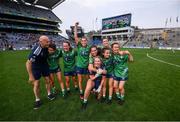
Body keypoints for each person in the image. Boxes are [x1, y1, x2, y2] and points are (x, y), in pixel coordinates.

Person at [26, 35, 55, 109]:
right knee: (37, 83)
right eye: (47, 41)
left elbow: (53, 50)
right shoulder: (36, 50)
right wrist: (30, 76)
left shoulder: (47, 46)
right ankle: (37, 99)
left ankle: (49, 94)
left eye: (49, 41)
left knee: (48, 80)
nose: (49, 42)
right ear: (41, 42)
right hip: (36, 67)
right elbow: (28, 63)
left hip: (44, 65)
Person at [74, 22, 90, 99]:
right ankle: (81, 92)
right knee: (80, 80)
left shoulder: (89, 47)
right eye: (82, 40)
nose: (83, 42)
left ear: (87, 41)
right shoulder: (79, 46)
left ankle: (87, 90)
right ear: (81, 41)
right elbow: (75, 37)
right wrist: (76, 26)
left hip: (86, 67)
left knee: (87, 80)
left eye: (85, 41)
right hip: (79, 66)